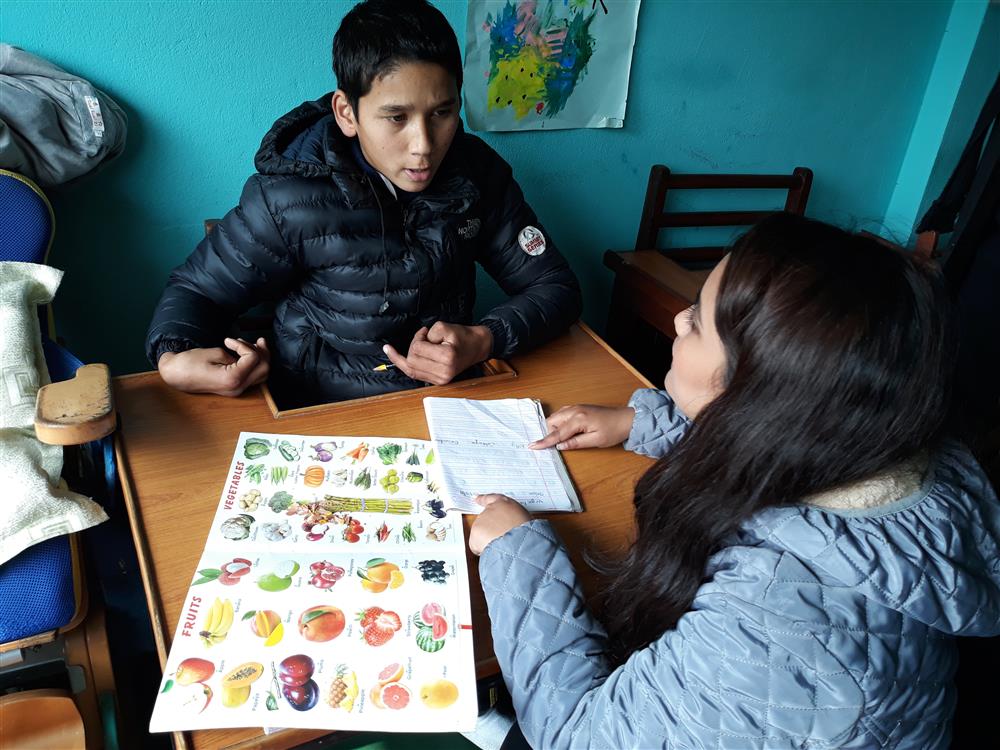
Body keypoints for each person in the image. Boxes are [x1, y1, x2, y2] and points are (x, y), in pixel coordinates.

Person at [468, 213, 1000, 749]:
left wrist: (517, 556)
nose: (678, 319)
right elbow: (791, 454)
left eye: (699, 320)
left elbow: (576, 739)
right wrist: (650, 421)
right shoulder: (902, 463)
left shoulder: (781, 631)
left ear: (758, 396)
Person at [145, 0, 580, 407]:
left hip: (442, 404)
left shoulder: (477, 174)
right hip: (319, 407)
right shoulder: (288, 195)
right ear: (346, 113)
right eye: (396, 117)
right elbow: (196, 290)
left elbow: (556, 287)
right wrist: (173, 358)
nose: (423, 146)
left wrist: (486, 338)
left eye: (442, 113)